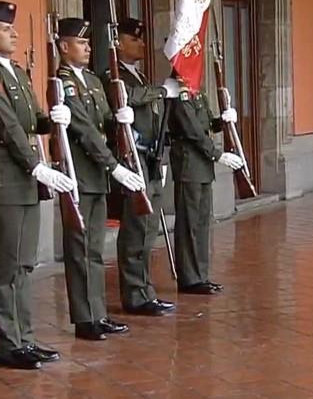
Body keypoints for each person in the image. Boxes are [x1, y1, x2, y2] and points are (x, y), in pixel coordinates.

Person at [0, 0, 76, 370]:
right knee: (6, 266)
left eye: (12, 28)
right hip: (5, 179)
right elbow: (7, 126)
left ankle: (24, 338)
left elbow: (29, 121)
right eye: (4, 29)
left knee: (23, 265)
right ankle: (9, 343)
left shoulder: (14, 71)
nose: (13, 33)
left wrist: (52, 121)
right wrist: (36, 166)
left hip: (25, 178)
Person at [52, 17, 145, 340]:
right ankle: (84, 318)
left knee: (94, 249)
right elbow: (85, 131)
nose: (89, 48)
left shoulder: (91, 81)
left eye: (90, 43)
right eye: (81, 43)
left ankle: (98, 312)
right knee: (79, 248)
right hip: (80, 174)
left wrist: (121, 116)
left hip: (97, 177)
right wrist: (114, 167)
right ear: (64, 47)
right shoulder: (64, 82)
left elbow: (103, 121)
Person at [101, 17, 178, 316]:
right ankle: (134, 295)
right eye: (135, 39)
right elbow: (127, 99)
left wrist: (162, 157)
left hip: (150, 157)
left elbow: (153, 118)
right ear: (118, 43)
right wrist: (162, 91)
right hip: (131, 159)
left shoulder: (140, 76)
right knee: (135, 230)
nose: (142, 44)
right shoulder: (113, 75)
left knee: (147, 230)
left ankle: (145, 290)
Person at [167, 72, 242, 295]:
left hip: (202, 166)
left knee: (201, 223)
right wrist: (217, 154)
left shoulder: (196, 92)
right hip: (189, 164)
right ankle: (189, 278)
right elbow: (193, 131)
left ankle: (200, 275)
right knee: (189, 224)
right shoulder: (179, 94)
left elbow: (207, 124)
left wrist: (223, 120)